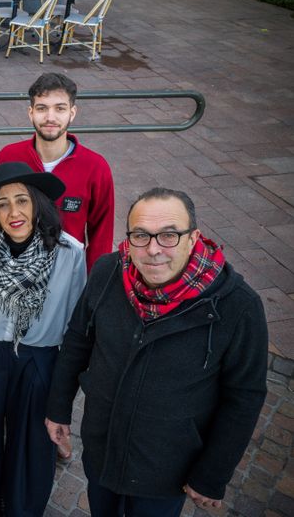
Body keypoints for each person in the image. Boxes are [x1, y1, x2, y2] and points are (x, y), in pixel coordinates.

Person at [46, 188, 268, 516]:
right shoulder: (107, 272)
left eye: (168, 236)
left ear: (193, 238)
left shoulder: (239, 307)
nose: (152, 250)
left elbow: (244, 397)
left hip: (166, 471)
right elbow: (79, 340)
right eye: (140, 235)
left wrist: (212, 473)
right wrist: (59, 407)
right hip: (102, 451)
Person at [0, 162, 87, 517]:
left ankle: (17, 497)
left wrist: (64, 372)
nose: (13, 212)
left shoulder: (70, 252)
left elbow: (74, 314)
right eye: (2, 204)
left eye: (22, 200)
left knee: (31, 434)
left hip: (39, 355)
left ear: (38, 203)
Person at [0, 72, 114, 271]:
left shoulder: (96, 167)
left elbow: (101, 235)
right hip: (13, 272)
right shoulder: (8, 156)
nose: (50, 117)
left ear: (72, 113)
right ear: (30, 112)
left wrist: (93, 283)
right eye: (42, 108)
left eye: (60, 109)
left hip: (69, 274)